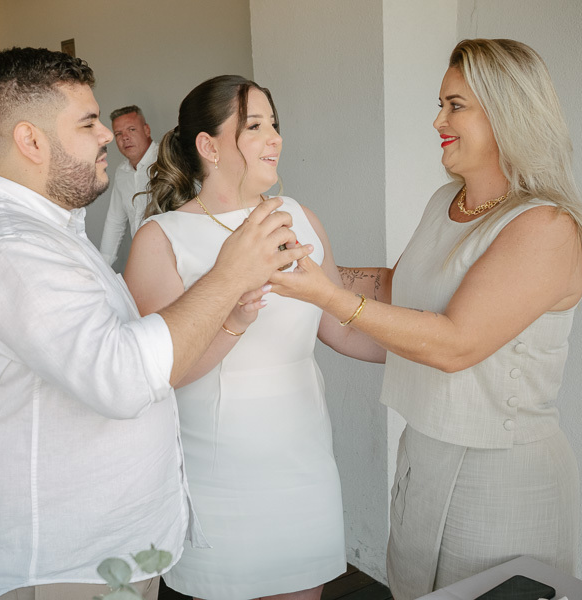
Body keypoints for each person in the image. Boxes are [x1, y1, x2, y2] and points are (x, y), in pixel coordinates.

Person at [0, 47, 310, 600]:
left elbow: (129, 351)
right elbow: (121, 374)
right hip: (60, 565)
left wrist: (230, 316)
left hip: (101, 553)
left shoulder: (48, 233)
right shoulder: (11, 249)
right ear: (30, 140)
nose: (107, 135)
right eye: (88, 122)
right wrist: (228, 274)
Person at [270, 39, 582, 599]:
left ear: (506, 114)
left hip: (502, 478)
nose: (437, 121)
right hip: (423, 455)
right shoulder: (444, 202)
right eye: (441, 104)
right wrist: (303, 259)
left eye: (455, 106)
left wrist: (327, 297)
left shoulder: (544, 226)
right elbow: (395, 296)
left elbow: (454, 344)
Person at [124, 75, 383, 600]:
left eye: (275, 125)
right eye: (256, 126)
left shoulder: (301, 220)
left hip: (304, 462)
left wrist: (438, 346)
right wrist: (232, 319)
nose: (276, 138)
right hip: (220, 476)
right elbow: (158, 374)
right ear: (208, 146)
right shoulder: (161, 239)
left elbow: (340, 326)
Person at [98, 105, 158, 266]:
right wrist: (102, 266)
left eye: (131, 129)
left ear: (147, 130)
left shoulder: (167, 160)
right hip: (143, 261)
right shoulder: (122, 172)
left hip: (177, 259)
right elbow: (115, 221)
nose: (125, 137)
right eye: (118, 133)